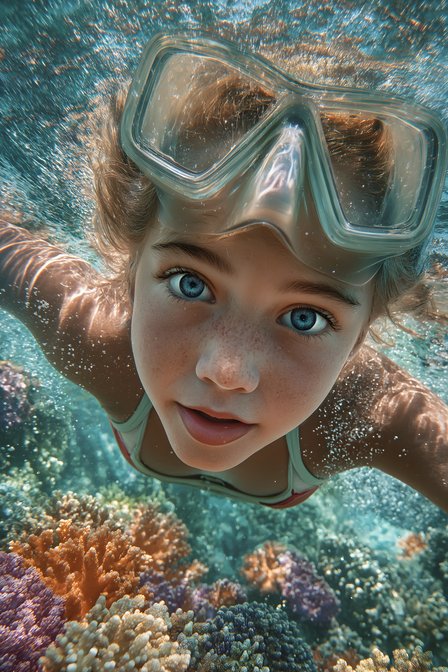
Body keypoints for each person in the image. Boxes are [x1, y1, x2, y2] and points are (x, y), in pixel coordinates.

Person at [0, 31, 447, 511]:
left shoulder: (365, 414)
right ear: (131, 273)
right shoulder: (91, 334)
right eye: (189, 284)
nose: (226, 373)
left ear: (360, 339)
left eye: (305, 317)